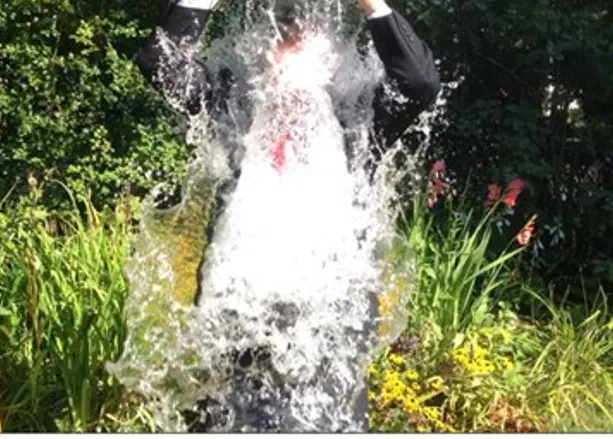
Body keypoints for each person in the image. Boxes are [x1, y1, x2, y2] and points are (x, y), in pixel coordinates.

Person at [134, 0, 440, 431]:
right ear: (263, 59)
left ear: (331, 63)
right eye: (282, 47)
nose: (289, 60)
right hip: (238, 318)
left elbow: (421, 83)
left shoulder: (359, 122)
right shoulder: (232, 110)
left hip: (332, 323)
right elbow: (160, 62)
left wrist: (372, 5)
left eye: (305, 47)